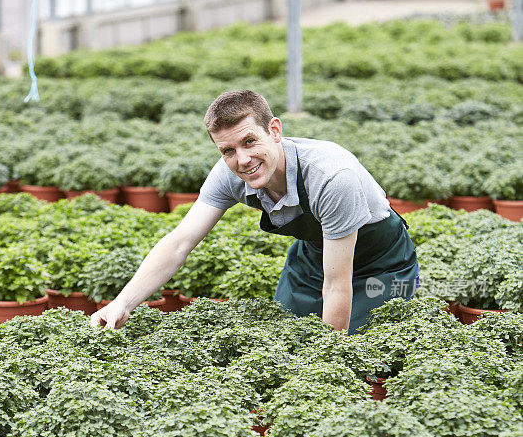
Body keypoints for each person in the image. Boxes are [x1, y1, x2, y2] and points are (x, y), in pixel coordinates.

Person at [90, 90, 418, 333]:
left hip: (381, 264)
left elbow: (336, 287)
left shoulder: (331, 178)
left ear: (274, 131)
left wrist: (324, 373)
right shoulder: (229, 173)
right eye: (228, 150)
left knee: (365, 349)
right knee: (283, 338)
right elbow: (179, 243)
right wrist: (122, 303)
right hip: (315, 260)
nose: (242, 160)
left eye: (249, 142)